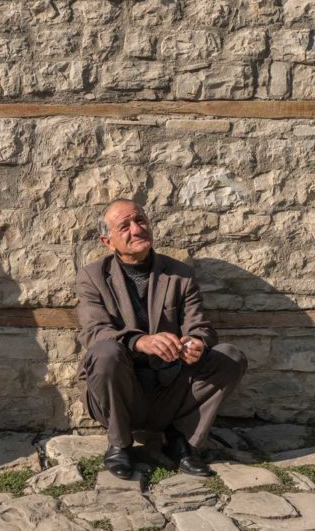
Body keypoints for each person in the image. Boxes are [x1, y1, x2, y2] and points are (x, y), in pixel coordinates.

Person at [75, 199, 247, 482]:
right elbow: (94, 331)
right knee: (106, 352)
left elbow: (201, 327)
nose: (137, 229)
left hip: (169, 388)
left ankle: (181, 441)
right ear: (108, 241)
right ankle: (119, 443)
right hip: (120, 393)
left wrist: (196, 345)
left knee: (230, 357)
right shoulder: (92, 277)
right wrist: (139, 342)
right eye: (125, 226)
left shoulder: (180, 275)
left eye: (140, 220)